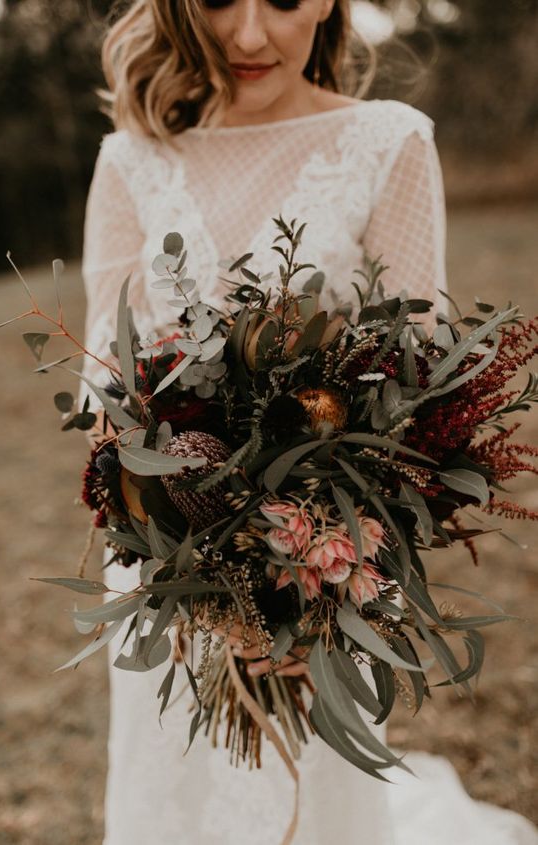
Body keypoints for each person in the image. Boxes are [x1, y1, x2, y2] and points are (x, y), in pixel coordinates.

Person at [79, 1, 538, 843]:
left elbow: (412, 387)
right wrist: (195, 574)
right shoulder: (130, 157)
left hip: (322, 567)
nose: (250, 35)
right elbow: (103, 389)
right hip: (168, 572)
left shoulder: (389, 140)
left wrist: (316, 590)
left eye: (285, 1)